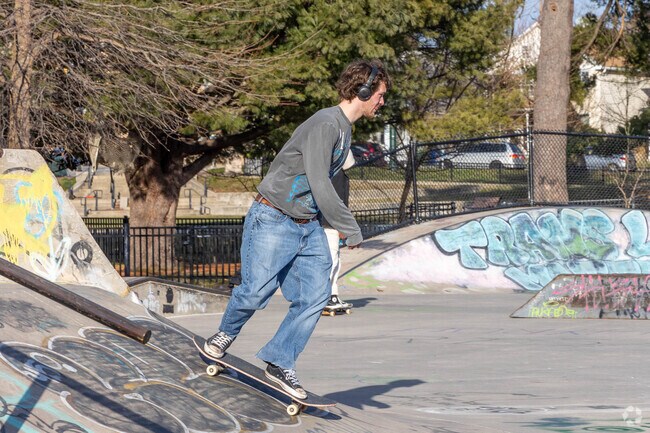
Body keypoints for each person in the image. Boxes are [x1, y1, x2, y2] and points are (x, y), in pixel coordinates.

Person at [202, 59, 391, 399]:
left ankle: (279, 360)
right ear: (362, 91)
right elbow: (320, 181)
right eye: (379, 95)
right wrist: (350, 227)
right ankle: (225, 334)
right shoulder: (325, 123)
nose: (381, 102)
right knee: (256, 292)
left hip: (307, 226)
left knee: (315, 297)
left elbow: (321, 185)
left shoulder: (345, 129)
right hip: (273, 218)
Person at [323, 152, 355, 311]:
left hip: (324, 222)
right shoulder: (335, 176)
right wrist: (342, 226)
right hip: (329, 223)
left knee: (334, 259)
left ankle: (332, 294)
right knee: (332, 259)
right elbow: (337, 203)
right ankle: (327, 296)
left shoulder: (329, 173)